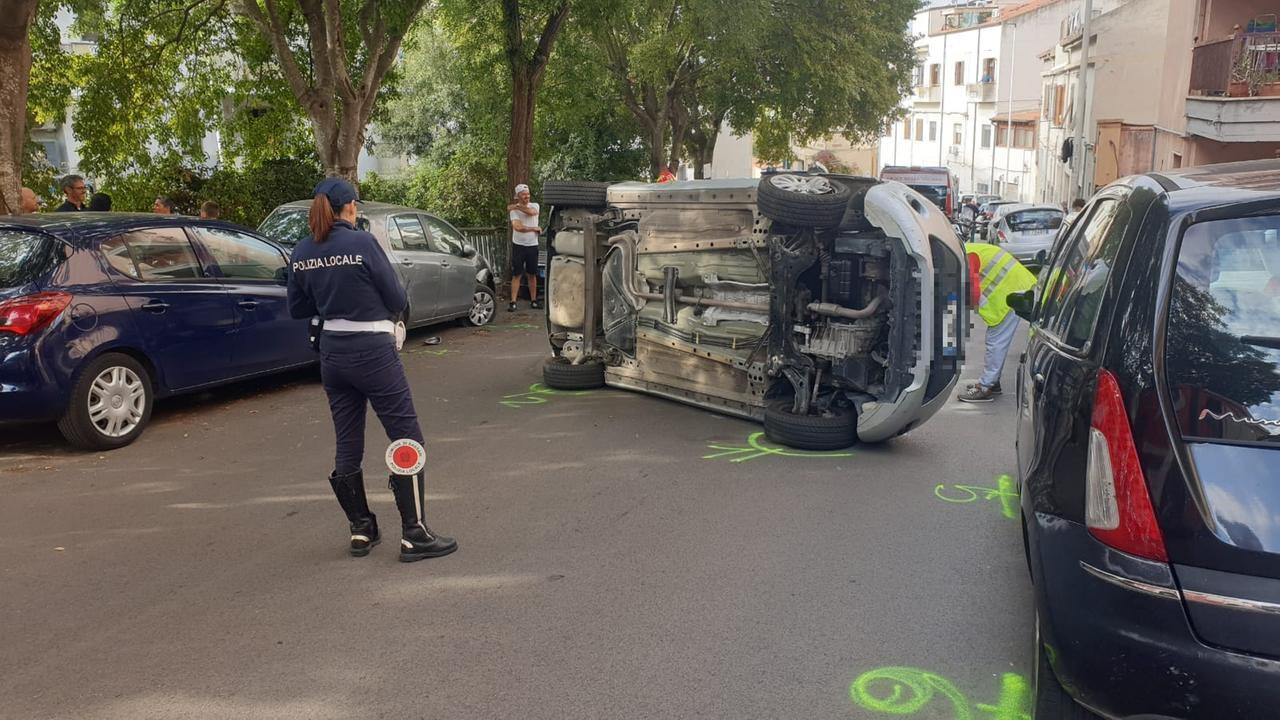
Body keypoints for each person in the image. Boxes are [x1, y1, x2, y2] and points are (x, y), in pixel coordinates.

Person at [287, 177, 456, 562]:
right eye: (356, 204)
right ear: (349, 207)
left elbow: (297, 309)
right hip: (373, 353)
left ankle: (361, 528)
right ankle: (415, 533)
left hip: (332, 356)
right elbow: (396, 297)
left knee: (348, 443)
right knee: (406, 436)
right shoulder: (362, 243)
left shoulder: (302, 250)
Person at [958, 241, 1038, 403]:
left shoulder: (965, 256)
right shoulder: (968, 250)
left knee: (995, 341)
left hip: (1011, 292)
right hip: (1017, 286)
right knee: (996, 340)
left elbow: (972, 291)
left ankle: (986, 387)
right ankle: (992, 382)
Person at [507, 183, 541, 312]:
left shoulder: (534, 205)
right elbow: (518, 227)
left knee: (532, 274)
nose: (527, 196)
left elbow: (532, 212)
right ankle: (513, 301)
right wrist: (534, 228)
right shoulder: (514, 211)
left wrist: (516, 206)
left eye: (528, 194)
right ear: (518, 196)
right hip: (519, 245)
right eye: (523, 194)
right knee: (517, 274)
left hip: (532, 245)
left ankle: (534, 300)